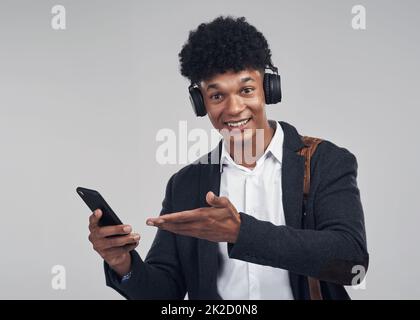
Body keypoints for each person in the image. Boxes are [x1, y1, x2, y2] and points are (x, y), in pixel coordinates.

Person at [88, 16, 369, 300]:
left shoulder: (325, 161)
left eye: (246, 90)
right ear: (201, 103)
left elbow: (351, 260)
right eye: (217, 96)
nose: (234, 108)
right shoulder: (186, 184)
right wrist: (122, 263)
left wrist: (241, 232)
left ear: (268, 89)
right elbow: (164, 293)